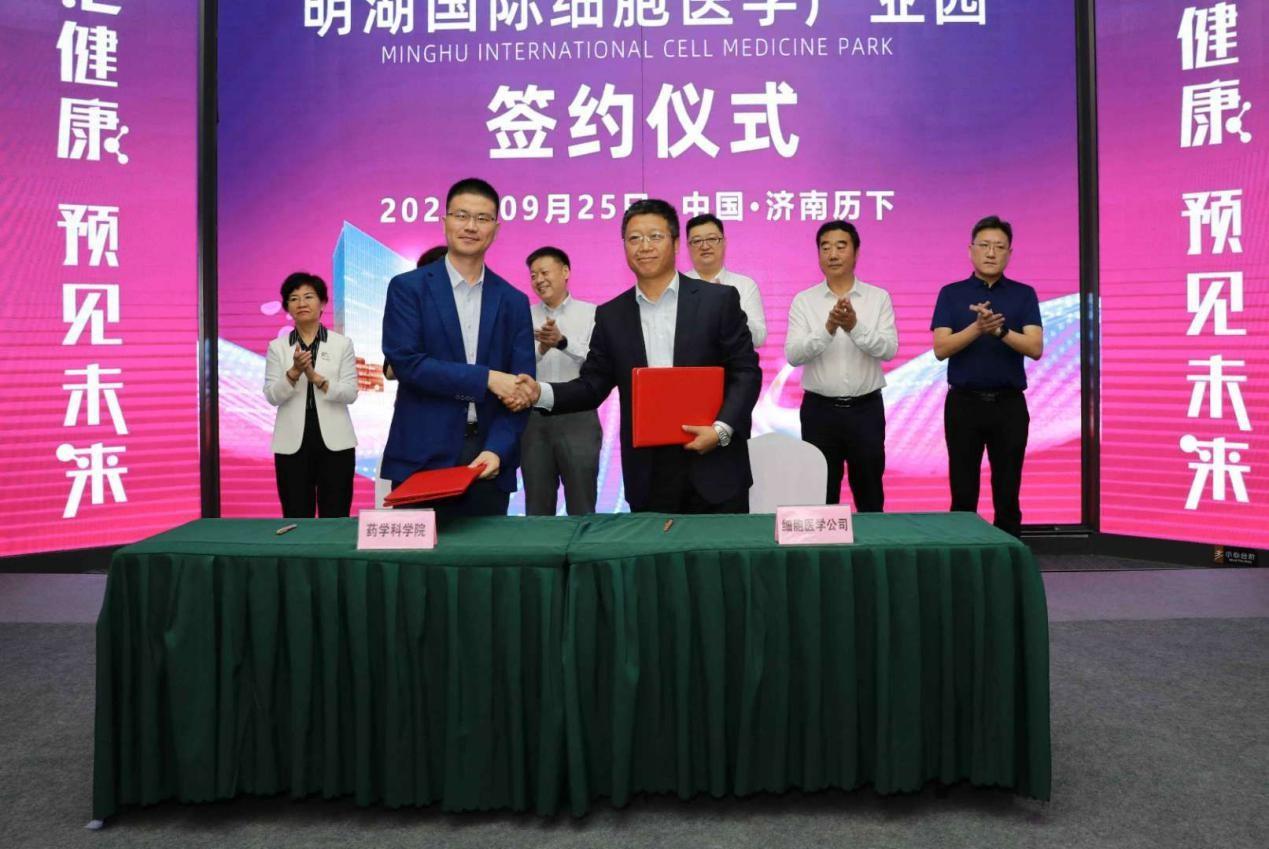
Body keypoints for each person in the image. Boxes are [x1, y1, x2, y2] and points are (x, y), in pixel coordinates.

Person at [510, 199, 761, 514]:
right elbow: (592, 385)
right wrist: (540, 392)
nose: (644, 246)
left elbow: (745, 372)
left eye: (655, 236)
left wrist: (722, 430)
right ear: (624, 247)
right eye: (634, 238)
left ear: (675, 243)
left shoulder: (718, 300)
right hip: (649, 473)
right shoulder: (612, 315)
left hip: (715, 463)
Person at [380, 178, 535, 518]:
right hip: (421, 458)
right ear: (445, 220)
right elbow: (408, 364)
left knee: (484, 553)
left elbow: (521, 389)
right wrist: (487, 379)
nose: (471, 226)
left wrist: (498, 449)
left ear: (496, 228)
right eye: (461, 215)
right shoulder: (408, 289)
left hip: (486, 461)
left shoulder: (513, 301)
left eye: (482, 218)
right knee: (417, 554)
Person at [931, 215, 1044, 538]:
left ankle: (1008, 555)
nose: (991, 253)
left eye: (999, 247)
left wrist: (1000, 331)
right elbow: (941, 348)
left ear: (1009, 253)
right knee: (963, 490)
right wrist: (978, 328)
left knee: (1007, 491)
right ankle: (963, 555)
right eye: (984, 245)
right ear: (971, 250)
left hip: (1008, 405)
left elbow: (1035, 347)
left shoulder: (1024, 295)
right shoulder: (951, 294)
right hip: (963, 404)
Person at [785, 221, 898, 511]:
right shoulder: (804, 301)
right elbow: (794, 355)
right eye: (825, 247)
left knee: (870, 495)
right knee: (821, 496)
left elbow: (888, 349)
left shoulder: (878, 298)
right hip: (819, 413)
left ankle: (873, 542)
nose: (833, 254)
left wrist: (854, 326)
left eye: (840, 246)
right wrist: (828, 329)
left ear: (856, 252)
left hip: (866, 411)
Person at [264, 272, 359, 517]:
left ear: (323, 303)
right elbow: (272, 396)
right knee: (296, 513)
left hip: (335, 441)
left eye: (308, 297)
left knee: (336, 514)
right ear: (287, 307)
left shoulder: (342, 344)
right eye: (294, 298)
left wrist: (317, 378)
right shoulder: (277, 347)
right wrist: (294, 372)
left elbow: (350, 393)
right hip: (292, 442)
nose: (301, 303)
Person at [521, 246, 602, 515]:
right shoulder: (523, 316)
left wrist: (562, 342)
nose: (539, 280)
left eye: (544, 272)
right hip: (534, 419)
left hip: (579, 416)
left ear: (565, 271)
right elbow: (516, 367)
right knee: (537, 506)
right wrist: (542, 349)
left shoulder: (592, 313)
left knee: (582, 503)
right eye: (533, 275)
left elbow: (598, 362)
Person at [684, 213, 768, 347]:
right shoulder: (677, 285)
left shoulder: (745, 285)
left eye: (712, 239)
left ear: (724, 242)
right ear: (688, 246)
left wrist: (732, 312)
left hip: (733, 360)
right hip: (690, 361)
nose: (705, 246)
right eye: (697, 241)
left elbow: (759, 338)